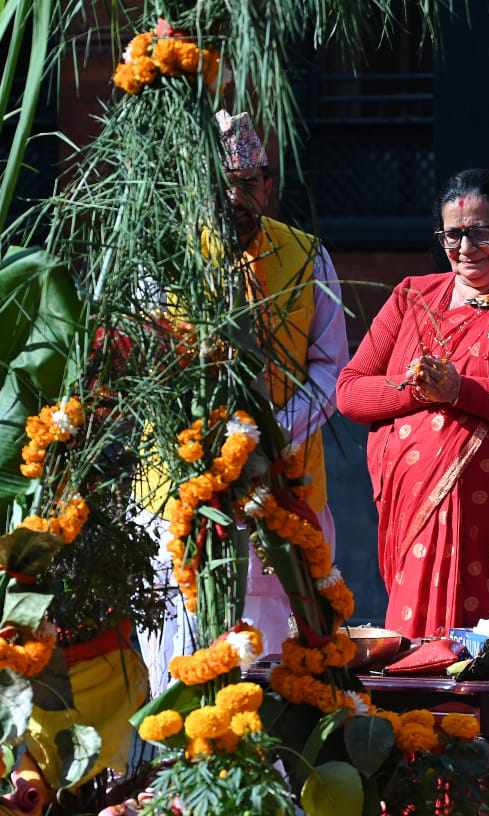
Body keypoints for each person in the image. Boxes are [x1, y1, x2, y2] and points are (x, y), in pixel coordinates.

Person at [335, 168, 489, 816]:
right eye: (452, 235)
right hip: (414, 528)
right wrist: (421, 394)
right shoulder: (412, 299)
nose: (466, 248)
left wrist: (462, 391)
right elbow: (353, 392)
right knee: (414, 668)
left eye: (480, 233)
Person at [139, 110, 349, 686]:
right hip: (181, 484)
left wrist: (272, 432)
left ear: (268, 187)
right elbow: (145, 371)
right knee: (183, 644)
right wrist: (209, 440)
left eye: (245, 184)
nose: (232, 198)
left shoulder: (307, 256)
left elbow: (332, 370)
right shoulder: (165, 258)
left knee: (280, 642)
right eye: (218, 184)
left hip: (285, 479)